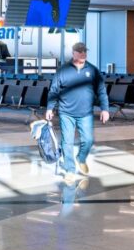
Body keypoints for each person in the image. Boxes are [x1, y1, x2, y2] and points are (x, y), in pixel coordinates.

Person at [45, 42, 110, 182]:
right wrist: (50, 108)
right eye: (80, 52)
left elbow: (101, 91)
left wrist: (105, 109)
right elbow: (54, 90)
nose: (83, 54)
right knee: (67, 142)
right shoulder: (63, 70)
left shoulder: (92, 70)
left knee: (88, 140)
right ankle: (70, 169)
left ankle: (81, 158)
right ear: (73, 53)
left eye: (84, 52)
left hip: (85, 113)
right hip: (66, 112)